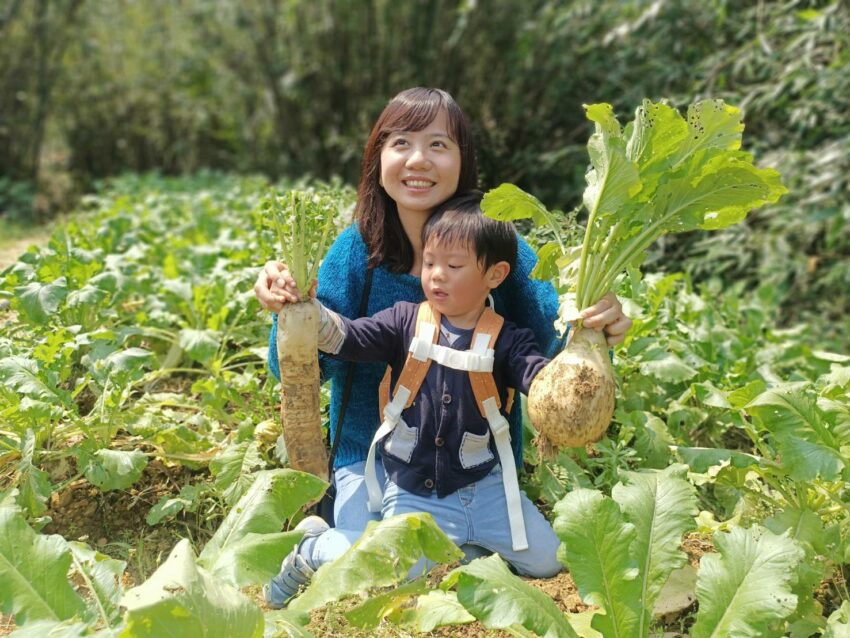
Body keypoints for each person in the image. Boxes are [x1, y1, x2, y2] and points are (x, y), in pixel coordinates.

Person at [253, 87, 632, 535]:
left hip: (476, 472)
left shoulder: (501, 248)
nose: (418, 160)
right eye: (401, 143)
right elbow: (294, 371)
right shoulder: (356, 253)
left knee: (476, 571)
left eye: (438, 145)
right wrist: (291, 312)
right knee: (377, 564)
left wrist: (593, 328)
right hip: (371, 462)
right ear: (378, 159)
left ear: (463, 161)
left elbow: (552, 344)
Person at [266, 193, 562, 607]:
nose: (436, 276)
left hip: (489, 490)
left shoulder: (508, 338)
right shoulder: (404, 319)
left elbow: (540, 376)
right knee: (393, 571)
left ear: (495, 275)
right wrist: (306, 312)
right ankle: (314, 550)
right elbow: (347, 337)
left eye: (454, 266)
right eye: (429, 263)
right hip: (414, 490)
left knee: (550, 561)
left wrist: (569, 382)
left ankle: (457, 552)